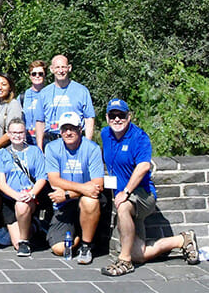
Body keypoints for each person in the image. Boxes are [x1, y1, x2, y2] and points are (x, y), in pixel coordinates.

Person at [100, 99, 199, 276]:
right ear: (107, 117)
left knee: (123, 207)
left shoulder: (139, 137)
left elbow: (144, 166)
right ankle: (182, 239)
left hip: (142, 196)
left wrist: (126, 192)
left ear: (128, 117)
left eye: (121, 115)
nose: (117, 119)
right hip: (125, 199)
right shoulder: (105, 134)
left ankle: (124, 262)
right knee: (139, 254)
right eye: (113, 115)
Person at [44, 111, 104, 264]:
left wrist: (68, 194)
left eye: (72, 128)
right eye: (65, 129)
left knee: (90, 200)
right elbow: (54, 180)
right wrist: (83, 188)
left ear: (80, 129)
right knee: (59, 249)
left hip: (81, 199)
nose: (68, 132)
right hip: (63, 205)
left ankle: (86, 246)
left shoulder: (92, 148)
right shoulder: (52, 148)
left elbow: (97, 184)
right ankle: (77, 234)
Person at [0, 118, 47, 256]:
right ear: (8, 134)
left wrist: (31, 194)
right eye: (13, 132)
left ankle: (25, 242)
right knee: (15, 243)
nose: (17, 136)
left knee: (22, 206)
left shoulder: (35, 152)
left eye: (20, 132)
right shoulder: (2, 153)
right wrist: (16, 195)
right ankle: (33, 227)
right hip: (11, 198)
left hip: (30, 197)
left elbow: (42, 178)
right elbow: (1, 182)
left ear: (25, 133)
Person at [35, 54, 95, 148]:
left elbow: (89, 119)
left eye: (63, 67)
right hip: (51, 141)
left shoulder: (82, 91)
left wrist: (87, 144)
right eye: (57, 67)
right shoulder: (44, 93)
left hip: (75, 140)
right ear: (52, 69)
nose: (61, 70)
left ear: (69, 68)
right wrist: (40, 147)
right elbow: (40, 122)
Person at [0, 73, 24, 152]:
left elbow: (11, 132)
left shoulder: (13, 104)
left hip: (10, 150)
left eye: (4, 84)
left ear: (10, 88)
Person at [22, 60, 46, 143]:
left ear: (44, 75)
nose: (37, 76)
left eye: (40, 74)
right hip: (27, 140)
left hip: (46, 139)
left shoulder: (50, 94)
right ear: (30, 76)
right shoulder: (23, 96)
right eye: (34, 74)